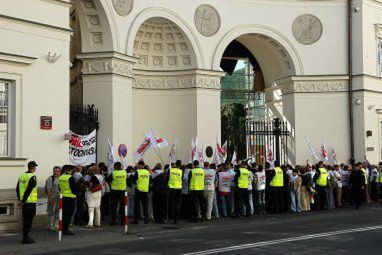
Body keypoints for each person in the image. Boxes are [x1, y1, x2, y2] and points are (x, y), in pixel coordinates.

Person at [16, 161, 38, 244]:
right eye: (35, 167)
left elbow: (17, 189)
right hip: (30, 202)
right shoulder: (32, 177)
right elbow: (29, 190)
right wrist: (24, 201)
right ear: (34, 168)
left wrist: (20, 200)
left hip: (24, 203)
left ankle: (26, 237)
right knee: (28, 221)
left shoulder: (22, 176)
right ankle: (25, 238)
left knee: (25, 220)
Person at [59, 165, 77, 235]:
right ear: (71, 170)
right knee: (69, 214)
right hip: (70, 198)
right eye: (73, 170)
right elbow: (74, 189)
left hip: (63, 197)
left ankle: (63, 229)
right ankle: (66, 230)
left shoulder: (61, 177)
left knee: (64, 214)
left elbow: (59, 187)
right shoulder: (71, 178)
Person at [45, 166, 61, 231]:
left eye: (57, 171)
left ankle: (56, 225)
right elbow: (48, 189)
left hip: (60, 198)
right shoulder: (50, 179)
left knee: (58, 212)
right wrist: (50, 198)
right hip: (53, 197)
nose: (55, 172)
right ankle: (50, 226)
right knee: (51, 212)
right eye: (54, 171)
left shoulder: (62, 178)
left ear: (60, 171)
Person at [167, 160, 183, 224]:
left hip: (171, 188)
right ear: (180, 164)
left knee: (172, 202)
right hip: (178, 188)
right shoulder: (181, 171)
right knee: (178, 203)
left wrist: (167, 184)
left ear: (175, 164)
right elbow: (181, 179)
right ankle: (176, 217)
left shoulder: (170, 170)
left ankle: (172, 215)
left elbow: (167, 178)